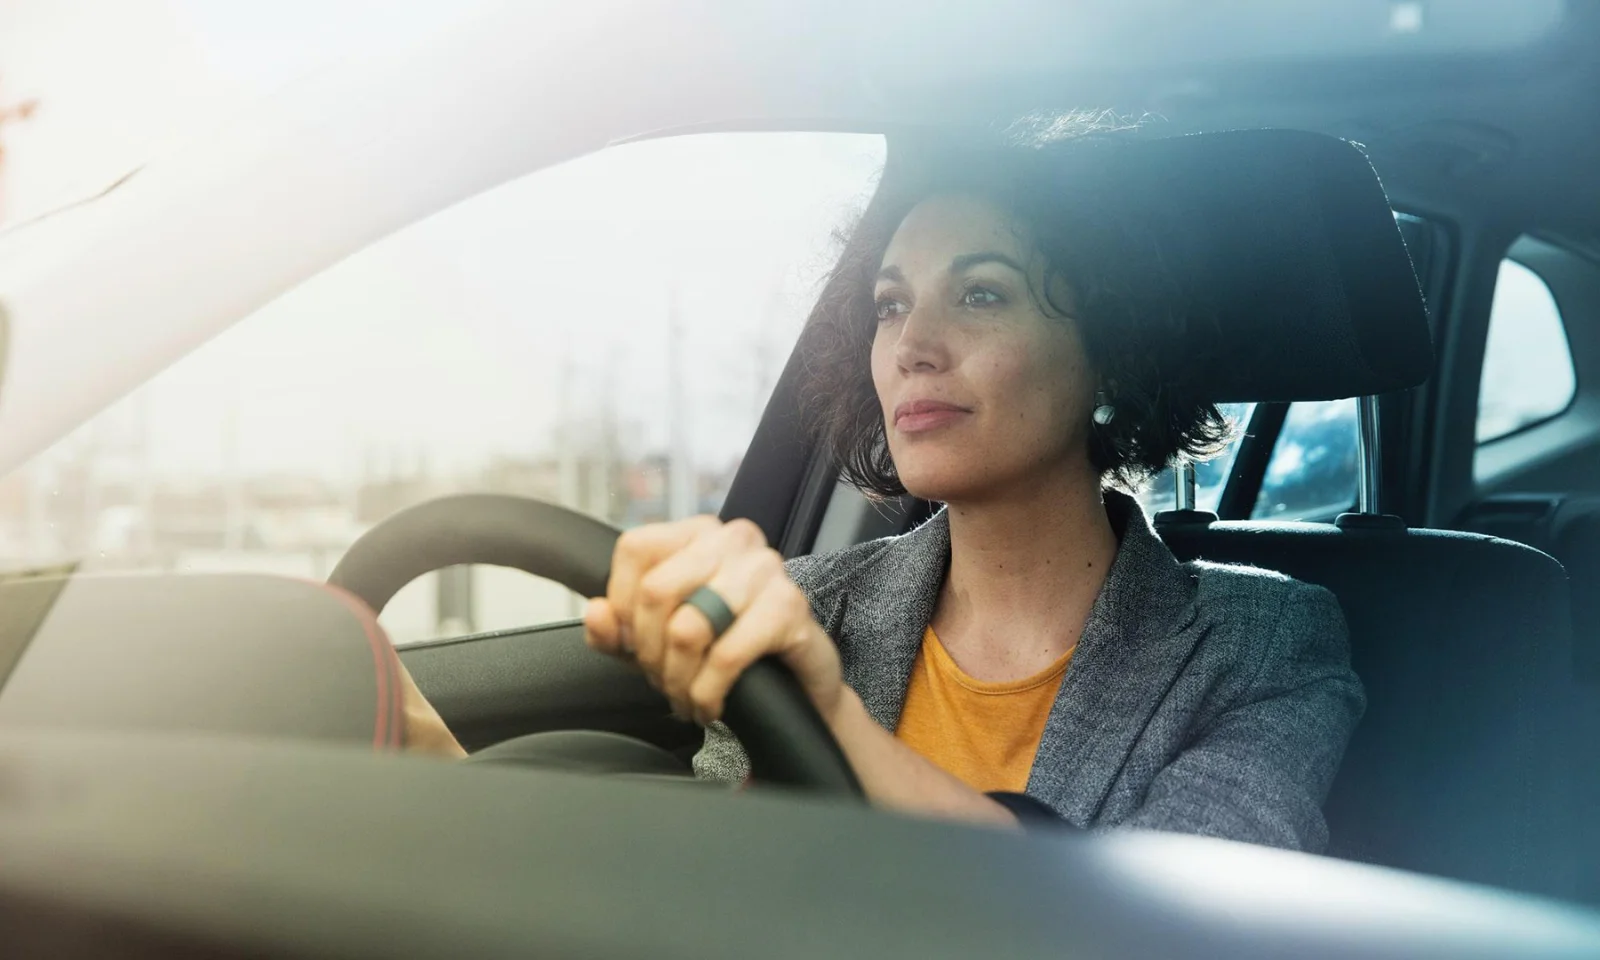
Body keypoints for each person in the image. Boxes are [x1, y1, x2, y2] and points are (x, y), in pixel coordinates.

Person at [577, 118, 1364, 851]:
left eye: (981, 293)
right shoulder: (805, 606)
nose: (912, 344)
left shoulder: (1265, 647)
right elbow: (718, 905)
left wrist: (827, 724)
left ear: (1112, 354)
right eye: (890, 306)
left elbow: (1178, 932)